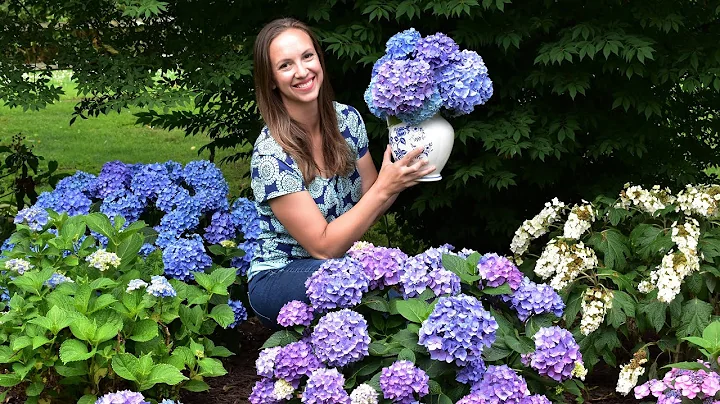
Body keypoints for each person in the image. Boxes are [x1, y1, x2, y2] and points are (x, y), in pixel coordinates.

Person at [247, 18, 434, 328]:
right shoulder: (271, 154)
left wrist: (401, 173)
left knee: (405, 283)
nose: (302, 71)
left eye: (308, 56)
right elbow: (324, 247)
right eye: (285, 65)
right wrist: (385, 189)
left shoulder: (346, 119)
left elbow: (370, 198)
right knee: (355, 284)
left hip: (339, 266)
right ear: (271, 80)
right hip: (280, 276)